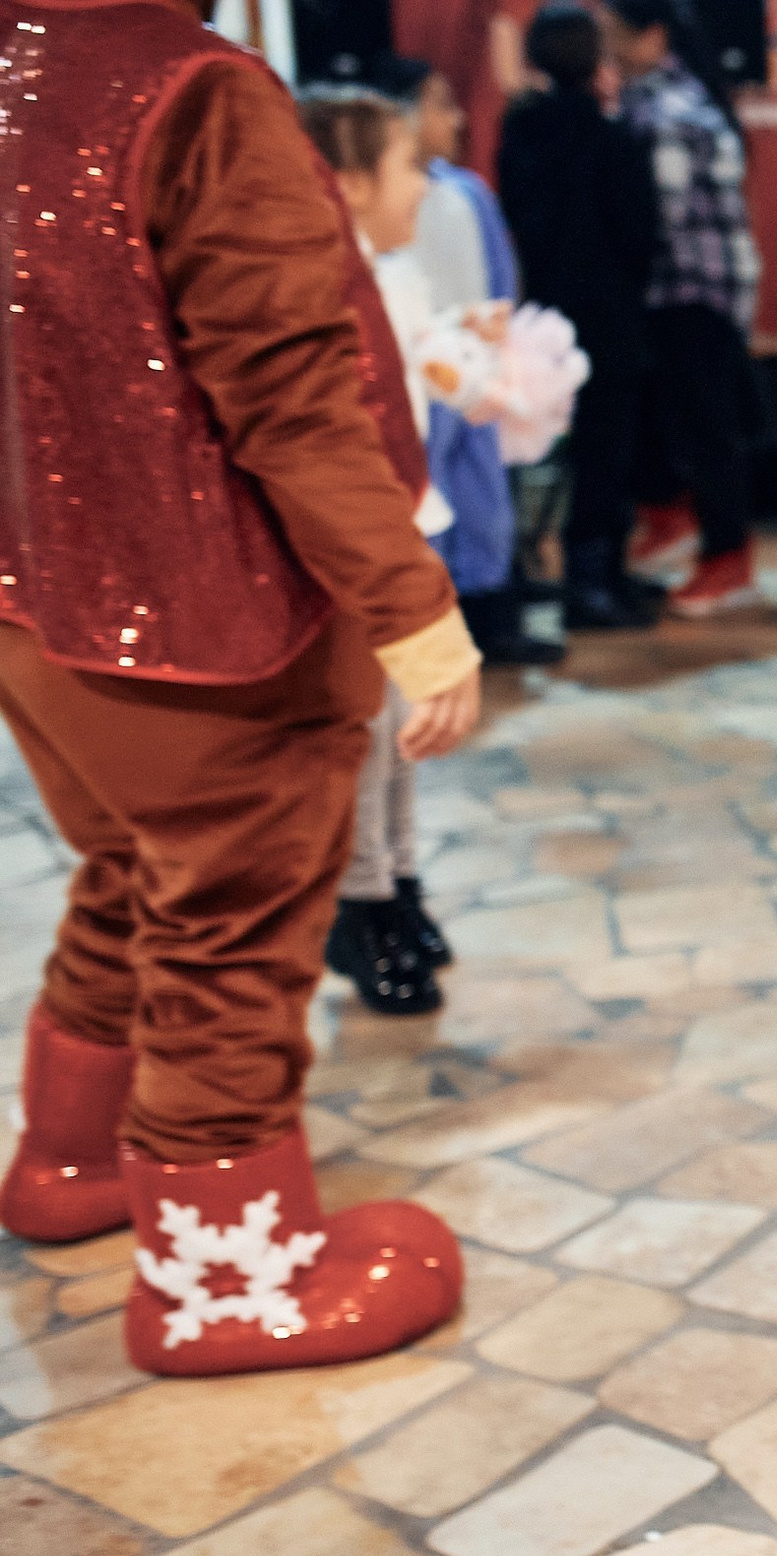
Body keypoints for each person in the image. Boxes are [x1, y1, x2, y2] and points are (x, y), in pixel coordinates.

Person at [0, 0, 475, 1378]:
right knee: (228, 923)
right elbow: (289, 384)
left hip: (42, 596)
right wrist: (415, 609)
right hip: (207, 619)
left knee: (131, 872)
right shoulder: (188, 90)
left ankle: (72, 1153)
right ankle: (224, 1277)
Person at [302, 86, 467, 1020]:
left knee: (407, 732)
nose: (426, 185)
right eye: (408, 166)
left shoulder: (391, 279)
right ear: (350, 183)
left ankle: (399, 880)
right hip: (367, 545)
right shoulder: (328, 286)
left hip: (413, 522)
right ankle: (360, 904)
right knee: (371, 733)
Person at [374, 54, 567, 669]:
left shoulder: (466, 191)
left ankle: (490, 614)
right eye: (439, 104)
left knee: (483, 497)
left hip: (471, 368)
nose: (454, 119)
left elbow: (498, 273)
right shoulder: (383, 198)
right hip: (417, 374)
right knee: (429, 494)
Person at [499, 3, 663, 632]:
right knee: (608, 445)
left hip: (544, 313)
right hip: (610, 314)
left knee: (567, 451)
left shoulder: (521, 132)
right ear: (596, 58)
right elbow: (639, 234)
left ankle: (591, 572)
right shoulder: (610, 136)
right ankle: (596, 577)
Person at [600, 0, 765, 618]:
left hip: (698, 290)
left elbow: (660, 220)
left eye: (613, 33)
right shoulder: (650, 101)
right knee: (677, 419)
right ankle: (675, 523)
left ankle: (728, 560)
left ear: (651, 38)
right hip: (678, 291)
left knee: (710, 429)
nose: (604, 46)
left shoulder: (669, 112)